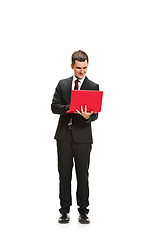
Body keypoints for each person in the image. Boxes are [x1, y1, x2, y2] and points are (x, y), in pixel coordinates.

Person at [51, 50, 99, 224]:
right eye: (78, 68)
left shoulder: (93, 86)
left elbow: (95, 114)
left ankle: (84, 211)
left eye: (85, 67)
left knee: (82, 174)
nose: (82, 71)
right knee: (64, 174)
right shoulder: (63, 84)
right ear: (72, 66)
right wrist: (69, 107)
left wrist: (88, 117)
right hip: (64, 136)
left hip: (83, 137)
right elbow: (54, 106)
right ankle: (64, 211)